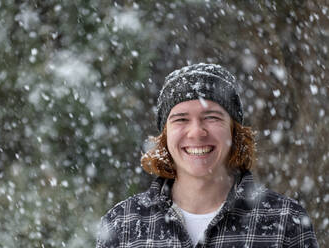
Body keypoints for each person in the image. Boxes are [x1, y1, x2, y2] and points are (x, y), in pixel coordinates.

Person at [96, 63, 318, 247]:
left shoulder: (286, 220)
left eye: (211, 117)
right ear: (165, 135)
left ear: (234, 130)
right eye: (181, 119)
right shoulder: (122, 224)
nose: (197, 132)